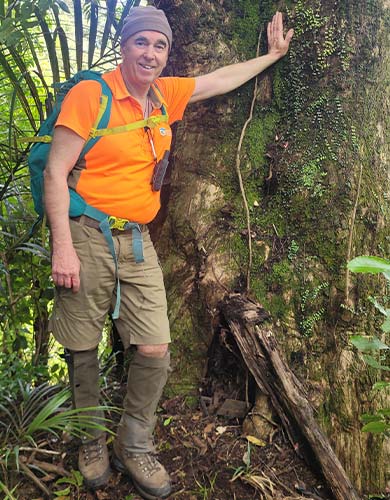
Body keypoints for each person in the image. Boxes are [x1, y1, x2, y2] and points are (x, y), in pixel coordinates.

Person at [44, 5, 293, 500]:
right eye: (142, 43)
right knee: (82, 344)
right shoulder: (92, 95)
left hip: (137, 240)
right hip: (86, 233)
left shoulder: (164, 95)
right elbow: (55, 173)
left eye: (159, 45)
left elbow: (218, 80)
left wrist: (271, 57)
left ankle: (134, 444)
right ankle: (90, 440)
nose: (150, 53)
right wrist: (63, 248)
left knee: (155, 344)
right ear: (124, 46)